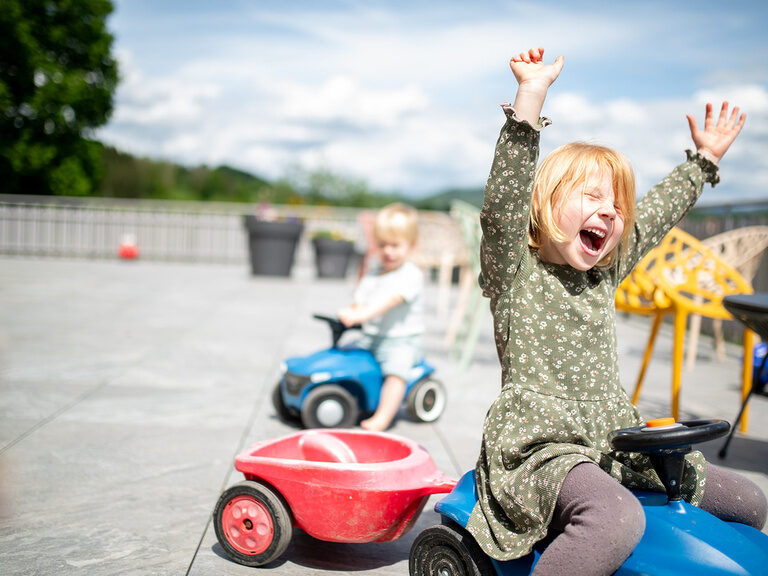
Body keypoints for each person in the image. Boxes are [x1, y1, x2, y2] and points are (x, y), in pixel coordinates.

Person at [467, 47, 767, 576]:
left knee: (748, 500)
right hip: (543, 451)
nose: (609, 212)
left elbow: (654, 214)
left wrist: (704, 161)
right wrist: (531, 95)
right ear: (544, 204)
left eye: (617, 206)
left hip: (615, 442)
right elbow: (503, 202)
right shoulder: (514, 270)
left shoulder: (604, 273)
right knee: (615, 517)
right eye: (592, 197)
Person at [338, 203, 424, 431]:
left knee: (396, 372)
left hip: (401, 340)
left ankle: (383, 417)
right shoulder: (373, 274)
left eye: (395, 245)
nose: (388, 251)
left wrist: (362, 314)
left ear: (411, 245)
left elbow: (389, 301)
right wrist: (351, 311)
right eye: (382, 245)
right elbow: (359, 301)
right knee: (347, 353)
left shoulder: (411, 275)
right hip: (371, 337)